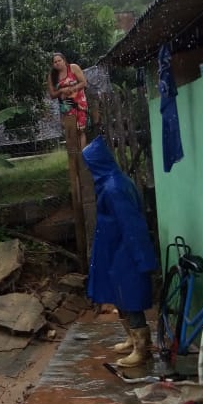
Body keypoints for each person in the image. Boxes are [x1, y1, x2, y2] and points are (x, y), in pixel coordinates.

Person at [82, 135, 159, 367]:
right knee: (119, 293)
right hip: (114, 249)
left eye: (89, 165)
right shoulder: (111, 183)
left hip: (124, 251)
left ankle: (142, 348)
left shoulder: (114, 188)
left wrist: (141, 258)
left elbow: (131, 225)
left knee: (129, 295)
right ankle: (131, 338)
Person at [47, 53, 88, 152]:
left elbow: (83, 82)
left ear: (64, 60)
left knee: (80, 130)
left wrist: (71, 89)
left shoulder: (73, 68)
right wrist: (61, 91)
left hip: (79, 103)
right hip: (65, 106)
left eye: (59, 60)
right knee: (70, 131)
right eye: (55, 62)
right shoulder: (52, 76)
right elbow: (52, 95)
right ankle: (74, 157)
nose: (57, 63)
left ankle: (83, 156)